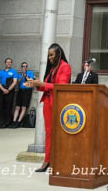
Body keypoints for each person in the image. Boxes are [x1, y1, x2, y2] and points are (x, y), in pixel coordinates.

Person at [25, 44, 72, 172]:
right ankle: (47, 160)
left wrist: (43, 83)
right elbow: (45, 86)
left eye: (51, 55)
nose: (50, 58)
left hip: (58, 104)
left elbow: (61, 86)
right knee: (49, 132)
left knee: (59, 133)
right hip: (47, 102)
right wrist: (35, 84)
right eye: (48, 56)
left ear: (58, 54)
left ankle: (58, 160)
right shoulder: (52, 69)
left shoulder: (65, 67)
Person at [10, 62, 35, 128]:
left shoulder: (30, 73)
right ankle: (14, 121)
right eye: (23, 66)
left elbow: (31, 81)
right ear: (21, 67)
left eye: (26, 66)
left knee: (24, 107)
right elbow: (17, 82)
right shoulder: (19, 74)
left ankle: (18, 122)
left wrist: (26, 75)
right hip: (20, 91)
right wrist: (22, 76)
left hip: (27, 91)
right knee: (17, 107)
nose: (25, 67)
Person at [0, 58, 18, 128]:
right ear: (5, 63)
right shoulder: (1, 72)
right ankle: (0, 123)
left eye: (10, 62)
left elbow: (15, 82)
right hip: (1, 90)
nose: (8, 63)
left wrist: (8, 90)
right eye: (7, 62)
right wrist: (3, 89)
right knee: (1, 107)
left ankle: (7, 122)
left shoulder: (14, 71)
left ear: (11, 63)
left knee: (8, 107)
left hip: (10, 91)